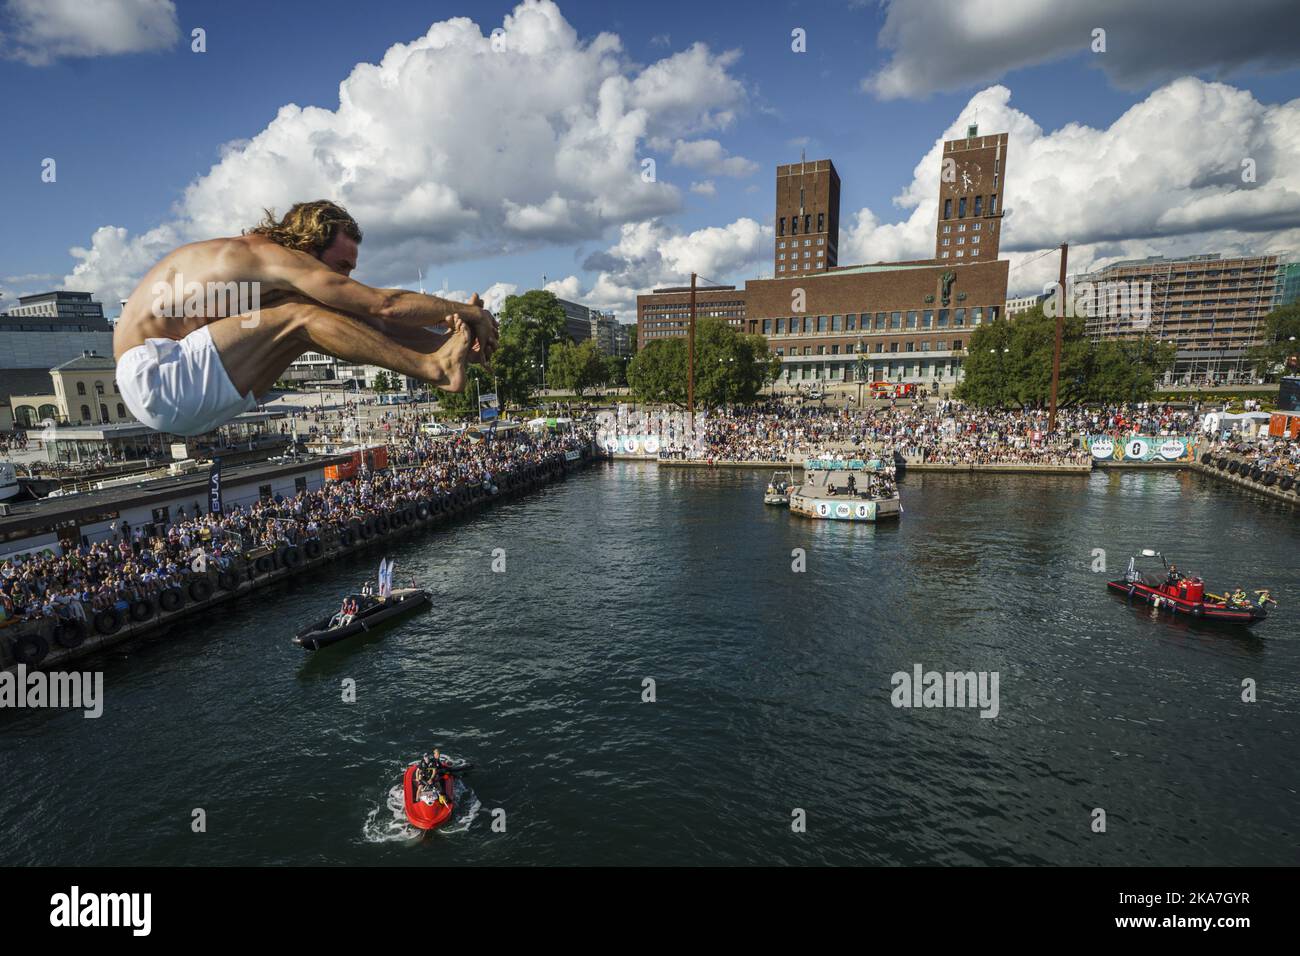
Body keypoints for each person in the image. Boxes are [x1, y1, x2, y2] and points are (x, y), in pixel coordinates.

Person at [115, 200, 498, 436]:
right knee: (301, 317)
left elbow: (375, 322)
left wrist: (459, 345)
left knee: (315, 322)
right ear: (310, 244)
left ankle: (441, 362)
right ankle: (435, 368)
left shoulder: (275, 278)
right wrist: (468, 311)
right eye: (342, 266)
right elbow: (383, 305)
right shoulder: (268, 257)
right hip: (156, 376)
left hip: (180, 397)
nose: (344, 278)